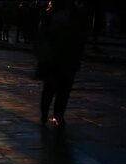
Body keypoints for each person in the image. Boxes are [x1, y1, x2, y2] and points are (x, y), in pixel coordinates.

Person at [36, 0, 86, 128]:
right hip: (64, 58)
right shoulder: (72, 15)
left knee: (51, 89)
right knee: (61, 90)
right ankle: (57, 115)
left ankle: (47, 114)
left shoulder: (49, 15)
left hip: (56, 58)